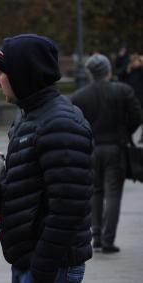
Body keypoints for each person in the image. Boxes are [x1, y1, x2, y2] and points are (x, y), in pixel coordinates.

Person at [0, 34, 94, 283]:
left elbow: (68, 208)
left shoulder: (60, 123)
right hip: (31, 263)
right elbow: (20, 190)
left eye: (1, 73)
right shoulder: (29, 118)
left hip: (50, 268)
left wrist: (41, 269)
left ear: (23, 74)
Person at [71, 54, 142, 253]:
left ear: (90, 74)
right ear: (108, 70)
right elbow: (137, 116)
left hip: (92, 148)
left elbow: (75, 123)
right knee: (113, 194)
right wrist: (125, 132)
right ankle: (108, 239)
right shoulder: (123, 91)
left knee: (95, 193)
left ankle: (97, 237)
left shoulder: (79, 96)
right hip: (115, 148)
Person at [123, 54, 143, 142]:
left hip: (141, 98)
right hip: (130, 98)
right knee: (130, 119)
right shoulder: (129, 71)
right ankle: (129, 136)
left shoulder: (141, 70)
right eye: (133, 61)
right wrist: (127, 70)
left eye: (136, 61)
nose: (134, 63)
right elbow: (120, 77)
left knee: (140, 118)